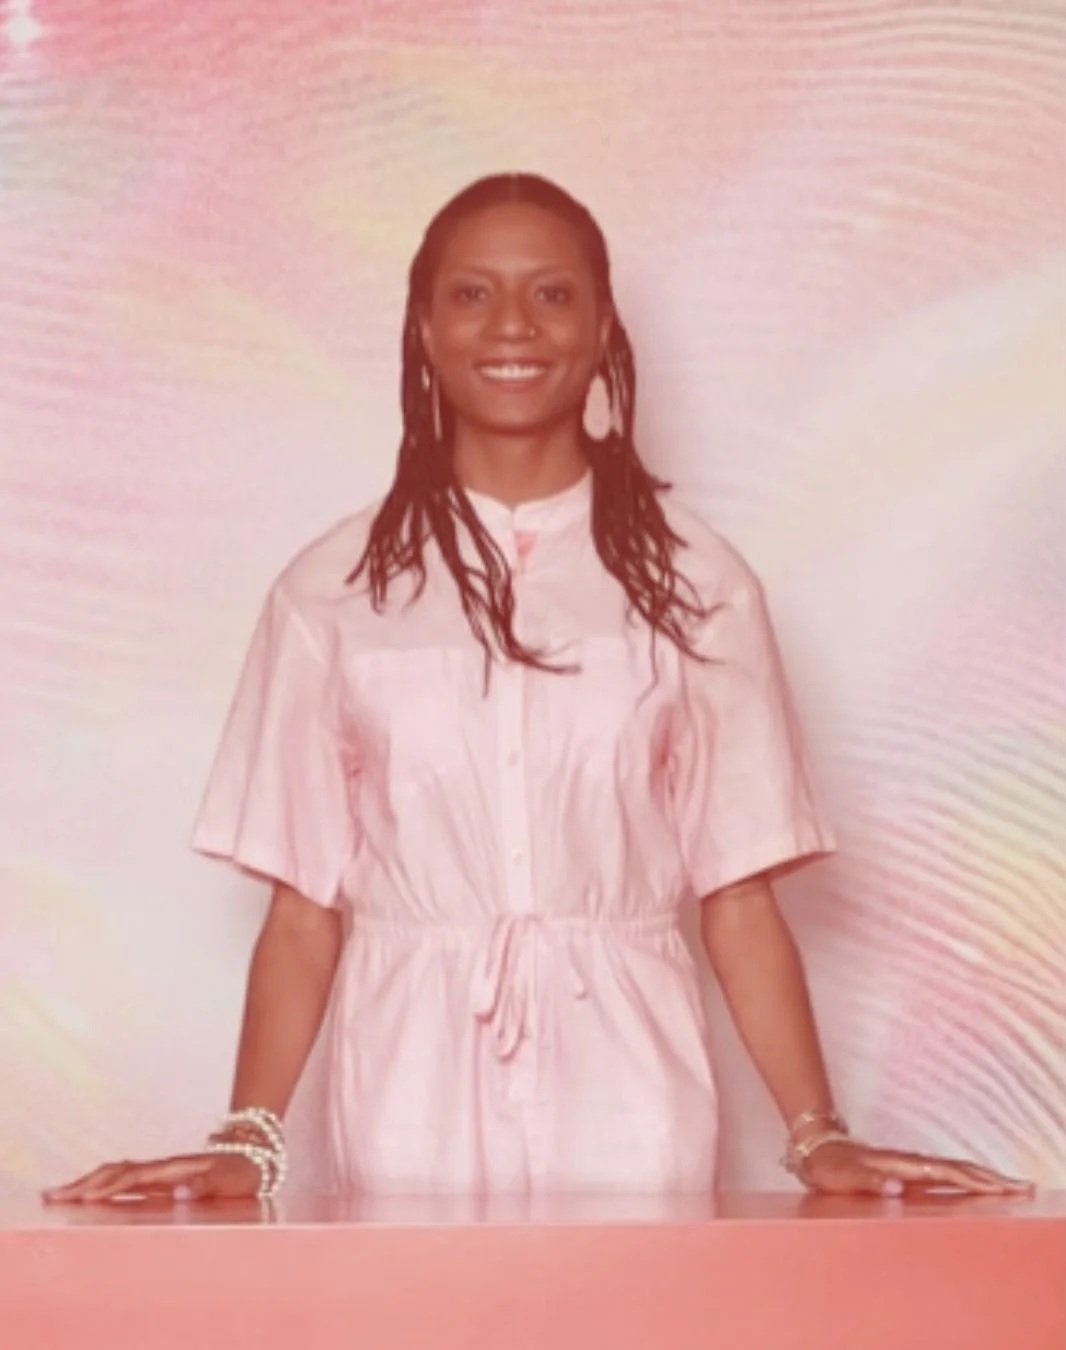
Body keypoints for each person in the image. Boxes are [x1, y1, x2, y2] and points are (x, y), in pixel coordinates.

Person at [43, 173, 1034, 1205]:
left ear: (602, 325)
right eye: (471, 294)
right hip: (403, 1096)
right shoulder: (329, 594)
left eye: (551, 294)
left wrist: (817, 1136)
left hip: (633, 1090)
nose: (511, 324)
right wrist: (249, 1140)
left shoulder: (699, 585)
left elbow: (736, 895)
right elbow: (303, 911)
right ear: (422, 327)